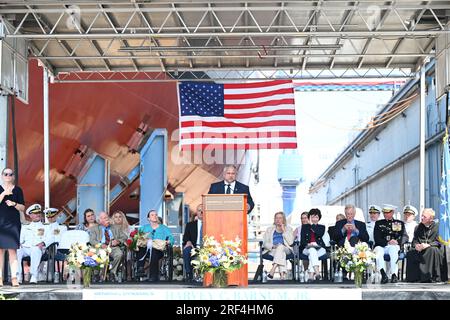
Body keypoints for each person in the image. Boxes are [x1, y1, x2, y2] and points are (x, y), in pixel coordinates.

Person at [406, 208, 448, 283]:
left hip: (434, 248)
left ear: (431, 218)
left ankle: (428, 277)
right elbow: (415, 240)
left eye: (424, 217)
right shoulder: (418, 227)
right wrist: (416, 245)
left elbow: (440, 242)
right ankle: (414, 278)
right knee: (410, 253)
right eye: (422, 216)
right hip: (421, 249)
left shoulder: (438, 227)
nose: (422, 218)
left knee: (431, 250)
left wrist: (428, 245)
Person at [0, 167, 25, 287]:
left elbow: (23, 207)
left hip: (13, 223)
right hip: (0, 223)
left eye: (10, 174)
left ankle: (14, 277)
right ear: (2, 175)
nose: (8, 176)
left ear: (13, 176)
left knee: (12, 251)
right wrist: (4, 194)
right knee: (0, 251)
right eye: (6, 174)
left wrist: (14, 204)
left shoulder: (18, 190)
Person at [374, 204, 408, 284]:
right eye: (384, 212)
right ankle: (383, 274)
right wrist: (387, 242)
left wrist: (398, 242)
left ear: (392, 212)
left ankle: (394, 274)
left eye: (387, 212)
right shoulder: (379, 223)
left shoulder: (399, 223)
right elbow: (377, 238)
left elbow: (405, 236)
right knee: (378, 251)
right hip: (382, 245)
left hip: (394, 246)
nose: (385, 214)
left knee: (393, 249)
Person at [136, 210, 174, 282]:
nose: (155, 216)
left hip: (158, 249)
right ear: (148, 218)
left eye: (156, 215)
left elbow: (171, 237)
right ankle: (140, 267)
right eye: (152, 215)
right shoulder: (143, 228)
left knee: (154, 251)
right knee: (141, 247)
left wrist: (168, 241)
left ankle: (153, 275)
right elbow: (137, 237)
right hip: (145, 249)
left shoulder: (164, 228)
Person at [17, 204, 51, 284]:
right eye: (35, 213)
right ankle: (18, 276)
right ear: (30, 215)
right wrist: (20, 244)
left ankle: (34, 276)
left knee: (35, 249)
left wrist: (43, 243)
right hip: (26, 248)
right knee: (17, 250)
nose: (38, 214)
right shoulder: (25, 226)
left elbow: (50, 238)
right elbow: (21, 239)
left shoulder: (46, 226)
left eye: (39, 212)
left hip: (39, 248)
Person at [89, 212, 127, 282]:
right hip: (100, 247)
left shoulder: (115, 227)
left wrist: (118, 241)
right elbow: (92, 240)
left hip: (112, 247)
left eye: (107, 217)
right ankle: (96, 274)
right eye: (104, 218)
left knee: (119, 254)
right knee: (95, 254)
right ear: (99, 221)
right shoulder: (94, 229)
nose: (107, 220)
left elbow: (124, 237)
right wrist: (101, 245)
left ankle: (112, 272)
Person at [263, 211, 294, 280]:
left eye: (280, 218)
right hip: (273, 250)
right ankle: (282, 275)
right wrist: (273, 246)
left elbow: (291, 242)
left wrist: (284, 230)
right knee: (281, 253)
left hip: (286, 249)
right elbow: (264, 243)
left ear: (283, 219)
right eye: (276, 218)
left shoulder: (289, 229)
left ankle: (273, 269)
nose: (278, 220)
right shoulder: (269, 229)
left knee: (281, 247)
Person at [299, 208, 327, 281]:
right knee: (312, 250)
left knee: (312, 253)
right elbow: (302, 241)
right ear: (309, 218)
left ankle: (311, 275)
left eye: (316, 217)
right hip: (306, 249)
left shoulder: (322, 227)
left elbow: (319, 234)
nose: (314, 219)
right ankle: (317, 273)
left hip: (320, 249)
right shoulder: (304, 227)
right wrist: (309, 244)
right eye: (313, 217)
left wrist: (312, 225)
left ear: (319, 218)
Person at [43, 208, 67, 281]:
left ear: (56, 216)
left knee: (52, 248)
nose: (50, 218)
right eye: (48, 217)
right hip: (44, 249)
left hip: (56, 249)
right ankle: (40, 273)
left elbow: (59, 240)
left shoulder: (62, 227)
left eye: (52, 216)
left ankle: (52, 274)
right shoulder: (43, 226)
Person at [182, 204, 203, 281]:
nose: (201, 212)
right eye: (199, 210)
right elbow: (185, 237)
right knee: (187, 250)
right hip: (194, 247)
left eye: (203, 210)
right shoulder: (190, 225)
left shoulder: (210, 224)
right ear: (196, 212)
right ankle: (189, 273)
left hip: (206, 247)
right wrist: (188, 242)